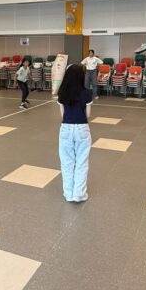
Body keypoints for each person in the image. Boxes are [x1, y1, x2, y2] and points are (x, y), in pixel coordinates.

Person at [57, 64, 93, 202]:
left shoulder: (62, 92)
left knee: (66, 162)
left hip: (66, 128)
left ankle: (68, 193)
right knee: (82, 162)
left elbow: (63, 115)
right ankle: (79, 194)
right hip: (82, 128)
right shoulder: (87, 93)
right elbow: (88, 115)